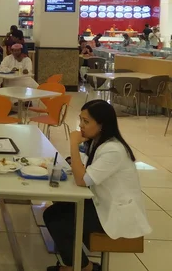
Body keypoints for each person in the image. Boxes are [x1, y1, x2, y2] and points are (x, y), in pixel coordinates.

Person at [43, 100, 151, 271]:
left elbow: (82, 180)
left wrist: (72, 143)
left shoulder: (113, 149)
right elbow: (86, 169)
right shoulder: (98, 141)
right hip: (101, 201)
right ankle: (76, 262)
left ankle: (84, 267)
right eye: (80, 120)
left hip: (115, 212)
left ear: (101, 125)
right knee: (54, 211)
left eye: (86, 121)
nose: (80, 125)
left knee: (57, 219)